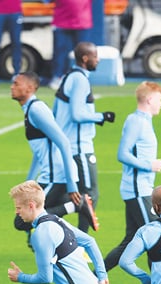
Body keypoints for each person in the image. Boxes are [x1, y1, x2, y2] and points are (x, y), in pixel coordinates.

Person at [9, 72, 96, 236]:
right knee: (37, 221)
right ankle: (65, 237)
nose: (12, 87)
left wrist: (71, 184)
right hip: (50, 176)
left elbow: (64, 142)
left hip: (56, 177)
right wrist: (29, 180)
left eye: (16, 83)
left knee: (22, 221)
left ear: (30, 88)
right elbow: (39, 152)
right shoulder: (31, 109)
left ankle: (76, 205)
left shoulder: (36, 110)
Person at [103, 81, 161, 271]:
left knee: (130, 241)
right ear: (149, 100)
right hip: (138, 190)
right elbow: (122, 154)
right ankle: (159, 283)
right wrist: (149, 165)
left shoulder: (142, 121)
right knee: (155, 237)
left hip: (140, 188)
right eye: (159, 99)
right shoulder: (137, 121)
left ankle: (92, 278)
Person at [53, 41, 114, 232]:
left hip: (67, 146)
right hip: (79, 149)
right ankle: (79, 240)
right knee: (90, 195)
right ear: (86, 58)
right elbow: (77, 114)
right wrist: (102, 117)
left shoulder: (69, 76)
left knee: (73, 194)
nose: (98, 60)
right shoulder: (80, 80)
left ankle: (48, 219)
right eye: (95, 56)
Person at [48, 0, 93, 90]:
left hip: (82, 21)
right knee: (60, 51)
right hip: (61, 21)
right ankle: (58, 76)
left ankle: (82, 78)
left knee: (83, 53)